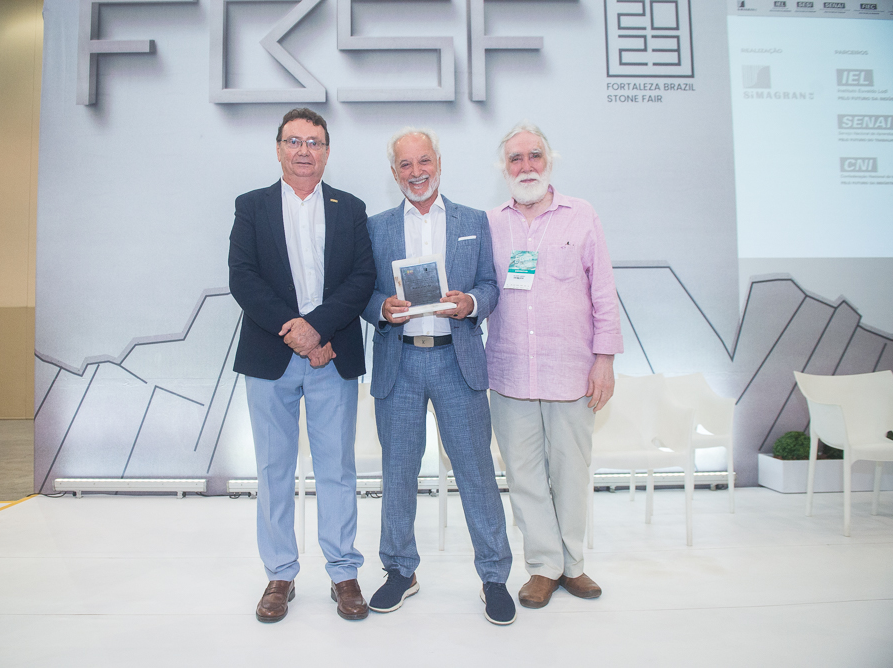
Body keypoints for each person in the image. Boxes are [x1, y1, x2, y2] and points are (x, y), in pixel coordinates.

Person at [228, 108, 377, 623]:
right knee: (274, 469)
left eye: (314, 142)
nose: (304, 151)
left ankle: (343, 572)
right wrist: (295, 331)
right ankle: (280, 574)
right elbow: (243, 277)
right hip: (271, 355)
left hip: (332, 354)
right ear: (278, 149)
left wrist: (319, 330)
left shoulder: (350, 208)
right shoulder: (251, 206)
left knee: (337, 466)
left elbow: (361, 278)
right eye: (294, 141)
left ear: (327, 152)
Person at [362, 128, 515, 626]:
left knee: (476, 473)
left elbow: (491, 285)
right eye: (405, 165)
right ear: (394, 173)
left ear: (439, 163)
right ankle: (399, 571)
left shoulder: (474, 221)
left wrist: (471, 302)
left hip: (457, 360)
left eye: (423, 161)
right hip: (399, 362)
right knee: (398, 474)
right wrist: (380, 308)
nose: (416, 172)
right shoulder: (376, 227)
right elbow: (361, 293)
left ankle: (494, 577)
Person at [485, 122, 623, 608]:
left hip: (572, 373)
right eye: (516, 158)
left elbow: (604, 291)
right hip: (509, 373)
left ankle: (574, 565)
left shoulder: (581, 215)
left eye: (535, 156)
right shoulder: (490, 224)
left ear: (549, 161)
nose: (526, 166)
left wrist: (604, 360)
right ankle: (544, 567)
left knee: (570, 474)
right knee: (523, 476)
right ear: (504, 168)